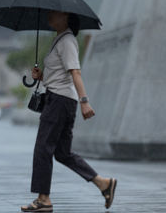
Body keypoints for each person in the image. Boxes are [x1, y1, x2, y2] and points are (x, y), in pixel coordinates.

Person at [21, 11, 117, 212]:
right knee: (63, 153)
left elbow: (75, 72)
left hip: (59, 102)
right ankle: (103, 183)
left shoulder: (67, 41)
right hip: (61, 99)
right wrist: (42, 77)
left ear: (65, 17)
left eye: (54, 14)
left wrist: (85, 101)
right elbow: (61, 75)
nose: (50, 16)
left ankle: (43, 199)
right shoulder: (60, 40)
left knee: (43, 149)